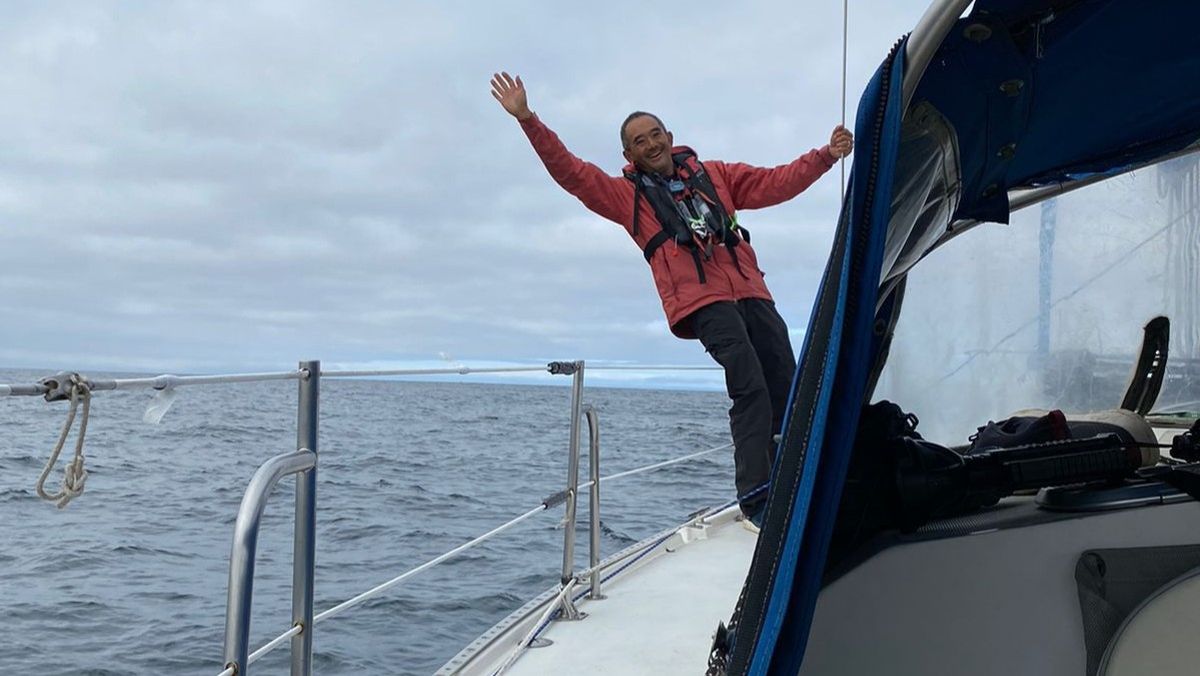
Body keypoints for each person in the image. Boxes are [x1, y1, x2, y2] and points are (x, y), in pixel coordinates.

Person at [490, 71, 853, 526]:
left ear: (670, 136)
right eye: (639, 141)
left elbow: (775, 182)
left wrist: (825, 156)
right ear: (629, 155)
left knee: (786, 380)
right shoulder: (626, 198)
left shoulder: (716, 175)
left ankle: (796, 479)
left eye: (655, 134)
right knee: (750, 384)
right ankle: (758, 498)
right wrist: (528, 119)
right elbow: (573, 174)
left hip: (752, 291)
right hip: (702, 303)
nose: (651, 144)